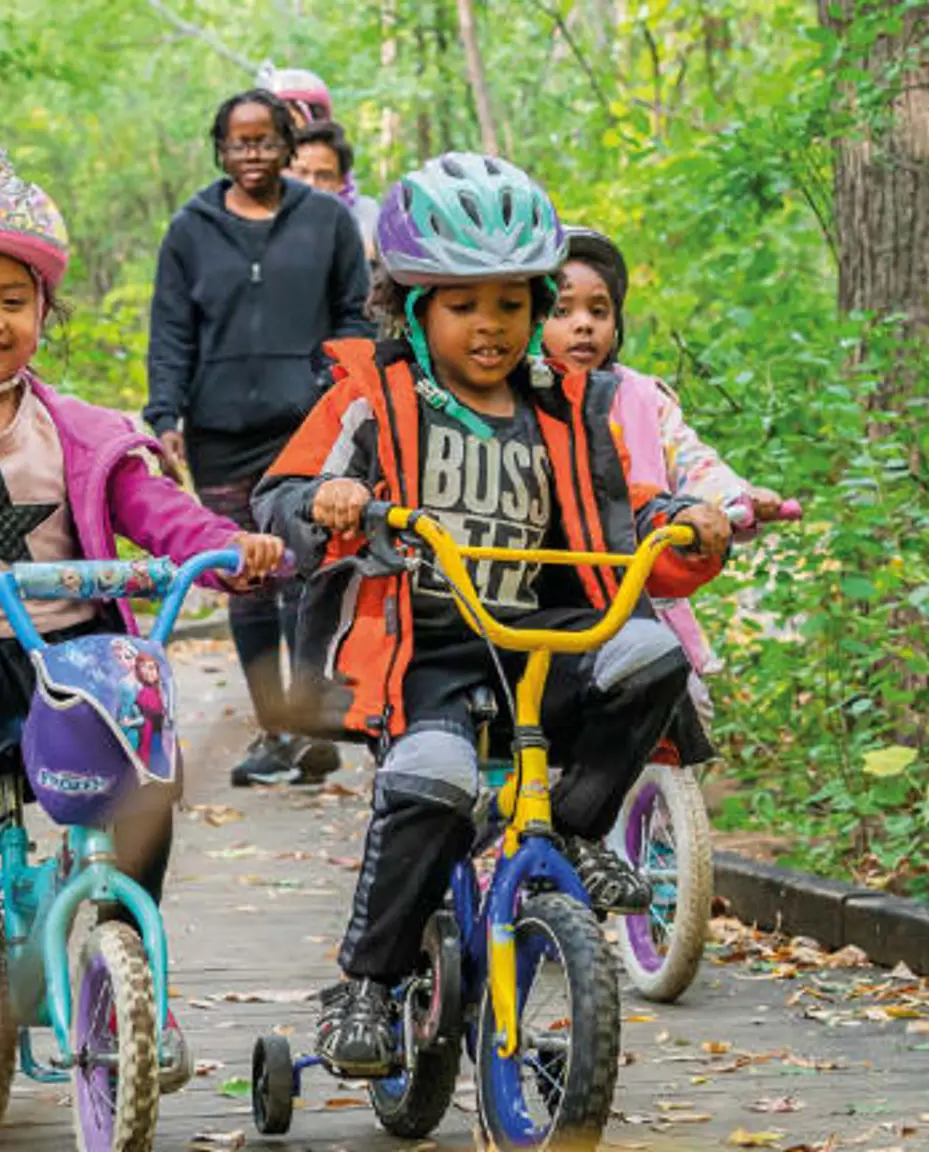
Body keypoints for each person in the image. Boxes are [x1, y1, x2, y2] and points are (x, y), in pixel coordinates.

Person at [252, 154, 734, 1074]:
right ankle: (365, 982)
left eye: (513, 306)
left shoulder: (564, 407)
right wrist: (333, 500)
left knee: (644, 654)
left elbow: (618, 510)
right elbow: (279, 498)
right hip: (425, 651)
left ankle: (577, 833)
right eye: (464, 304)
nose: (492, 327)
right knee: (433, 774)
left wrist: (681, 522)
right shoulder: (375, 396)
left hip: (538, 642)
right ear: (413, 305)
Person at [0, 148, 284, 986]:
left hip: (67, 659)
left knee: (144, 719)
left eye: (12, 300)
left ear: (43, 310)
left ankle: (128, 949)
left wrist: (226, 551)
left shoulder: (81, 431)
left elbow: (157, 510)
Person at [144, 89, 372, 787]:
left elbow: (355, 317)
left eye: (266, 140)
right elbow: (172, 330)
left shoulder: (327, 221)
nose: (253, 154)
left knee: (309, 569)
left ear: (287, 144)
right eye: (239, 142)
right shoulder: (190, 229)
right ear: (220, 149)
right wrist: (164, 415)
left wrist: (349, 398)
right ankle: (276, 726)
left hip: (309, 428)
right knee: (245, 578)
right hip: (219, 429)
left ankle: (305, 720)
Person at [543, 226, 792, 747]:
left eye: (599, 310)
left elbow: (693, 462)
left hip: (643, 588)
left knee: (688, 707)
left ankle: (662, 823)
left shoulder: (643, 397)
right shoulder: (518, 397)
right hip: (552, 594)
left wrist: (736, 500)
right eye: (561, 311)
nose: (583, 325)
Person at [287, 120, 378, 260]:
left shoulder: (361, 214)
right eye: (301, 172)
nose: (311, 183)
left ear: (341, 181)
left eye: (324, 176)